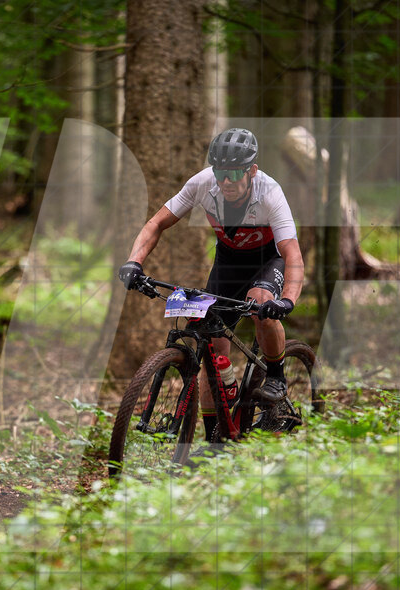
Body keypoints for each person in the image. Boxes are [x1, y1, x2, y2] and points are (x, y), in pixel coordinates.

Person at [118, 127, 304, 441]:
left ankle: (276, 376)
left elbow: (292, 252)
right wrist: (134, 262)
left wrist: (286, 299)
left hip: (267, 259)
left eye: (234, 172)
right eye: (221, 172)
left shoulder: (270, 192)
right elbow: (156, 223)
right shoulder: (202, 183)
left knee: (260, 303)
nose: (226, 181)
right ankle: (215, 439)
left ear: (251, 170)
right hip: (229, 261)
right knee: (211, 349)